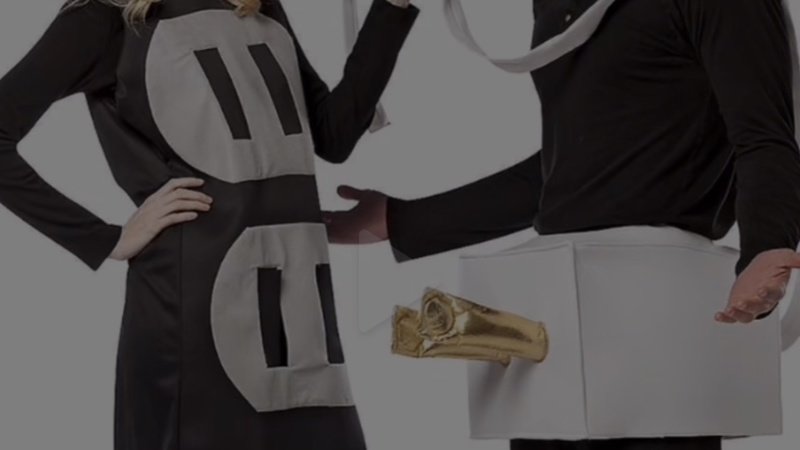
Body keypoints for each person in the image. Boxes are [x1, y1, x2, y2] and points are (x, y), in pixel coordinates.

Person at [324, 0, 800, 449]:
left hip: (659, 321)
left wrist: (766, 246)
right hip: (557, 315)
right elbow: (568, 167)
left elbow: (764, 135)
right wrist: (401, 220)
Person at [0, 0, 418, 449]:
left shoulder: (256, 5)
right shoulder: (106, 16)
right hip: (193, 305)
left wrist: (391, 7)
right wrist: (107, 239)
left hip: (300, 301)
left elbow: (333, 136)